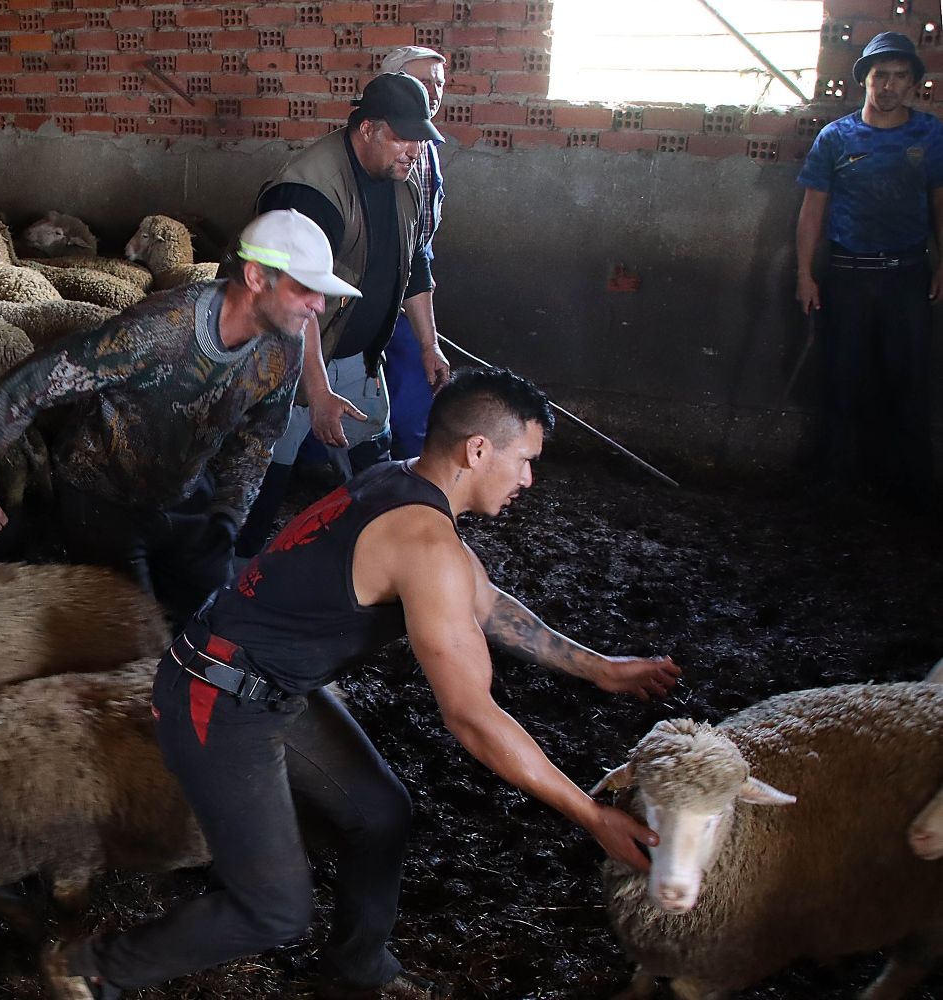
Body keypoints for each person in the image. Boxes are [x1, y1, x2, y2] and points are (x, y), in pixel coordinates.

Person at [45, 367, 682, 1000]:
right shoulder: (423, 542)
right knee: (273, 910)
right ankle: (95, 967)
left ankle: (359, 964)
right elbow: (472, 717)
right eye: (525, 460)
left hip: (264, 680)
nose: (528, 479)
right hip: (215, 694)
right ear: (478, 450)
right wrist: (592, 815)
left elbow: (484, 602)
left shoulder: (402, 480)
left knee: (381, 815)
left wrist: (602, 668)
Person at [0, 210, 361, 625]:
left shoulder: (280, 347)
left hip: (184, 492)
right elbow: (29, 384)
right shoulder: (156, 332)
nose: (319, 306)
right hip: (101, 497)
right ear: (255, 278)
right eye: (305, 289)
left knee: (209, 618)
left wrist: (229, 515)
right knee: (130, 636)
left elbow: (259, 437)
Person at [237, 72, 452, 558]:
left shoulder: (405, 181)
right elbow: (294, 295)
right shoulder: (308, 190)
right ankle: (227, 585)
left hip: (356, 358)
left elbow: (413, 264)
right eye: (401, 136)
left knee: (378, 472)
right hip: (285, 364)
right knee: (261, 479)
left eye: (419, 139)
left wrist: (427, 343)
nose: (412, 151)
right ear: (368, 128)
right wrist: (316, 390)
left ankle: (378, 572)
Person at [795, 30, 943, 507]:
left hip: (906, 274)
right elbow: (812, 210)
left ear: (914, 84)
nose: (890, 85)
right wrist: (805, 273)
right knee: (842, 375)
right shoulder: (836, 138)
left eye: (901, 77)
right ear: (866, 80)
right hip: (848, 273)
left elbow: (941, 203)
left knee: (909, 377)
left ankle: (915, 487)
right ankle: (836, 482)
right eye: (881, 75)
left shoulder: (931, 134)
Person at [379, 46, 449, 461]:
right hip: (372, 288)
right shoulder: (376, 144)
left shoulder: (428, 149)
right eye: (422, 81)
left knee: (411, 375)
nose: (433, 91)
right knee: (408, 383)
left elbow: (418, 237)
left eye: (439, 82)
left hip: (409, 282)